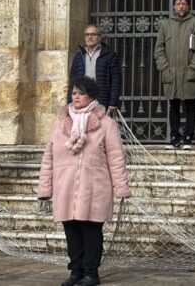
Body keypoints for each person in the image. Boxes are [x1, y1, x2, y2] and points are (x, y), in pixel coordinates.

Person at [38, 77, 131, 286]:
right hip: (66, 187)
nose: (76, 97)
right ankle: (76, 271)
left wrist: (122, 187)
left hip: (95, 188)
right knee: (71, 232)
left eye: (80, 93)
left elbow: (116, 158)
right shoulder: (60, 124)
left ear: (91, 96)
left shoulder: (106, 125)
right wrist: (45, 187)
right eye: (73, 93)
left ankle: (91, 273)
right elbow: (48, 158)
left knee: (91, 232)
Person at [154, 0, 195, 150]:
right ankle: (174, 137)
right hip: (172, 73)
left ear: (188, 6)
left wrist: (194, 67)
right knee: (174, 105)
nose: (181, 6)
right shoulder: (166, 25)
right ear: (173, 7)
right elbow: (159, 49)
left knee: (191, 105)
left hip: (190, 72)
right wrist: (164, 68)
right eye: (178, 4)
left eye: (184, 3)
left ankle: (188, 138)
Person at [68, 25, 122, 113]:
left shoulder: (110, 55)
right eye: (87, 34)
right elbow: (72, 81)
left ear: (99, 37)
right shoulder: (79, 56)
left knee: (100, 125)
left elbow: (116, 79)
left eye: (93, 34)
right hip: (81, 100)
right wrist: (69, 102)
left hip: (101, 99)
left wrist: (113, 102)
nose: (90, 37)